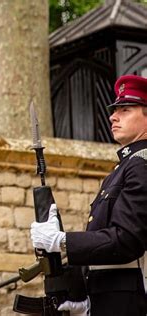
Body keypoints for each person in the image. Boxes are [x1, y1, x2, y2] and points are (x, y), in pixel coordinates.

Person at [30, 74, 147, 316]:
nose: (113, 116)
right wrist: (83, 297)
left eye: (125, 110)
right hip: (107, 298)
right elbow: (103, 242)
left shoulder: (141, 164)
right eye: (115, 110)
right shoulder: (121, 169)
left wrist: (62, 240)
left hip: (130, 300)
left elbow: (126, 240)